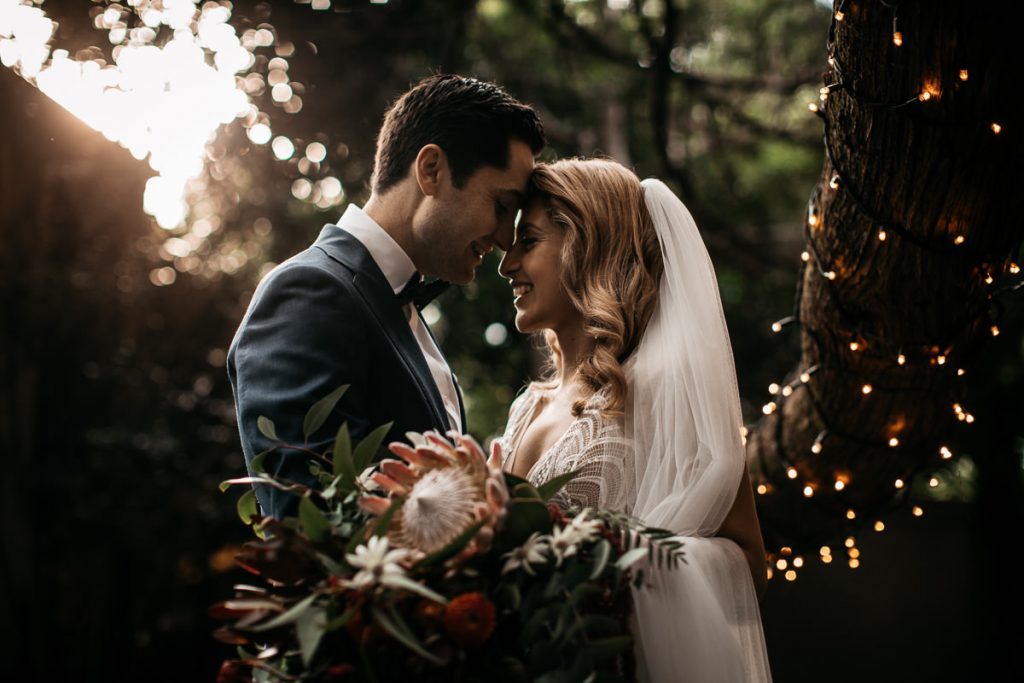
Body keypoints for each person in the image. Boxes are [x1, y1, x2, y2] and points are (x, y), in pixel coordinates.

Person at [497, 158, 771, 681]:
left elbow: (748, 564)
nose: (506, 264)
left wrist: (617, 565)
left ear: (585, 246)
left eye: (527, 241)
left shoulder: (665, 389)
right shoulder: (526, 404)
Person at [228, 75, 545, 518]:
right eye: (501, 205)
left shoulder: (400, 305)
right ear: (431, 170)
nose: (503, 237)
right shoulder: (308, 293)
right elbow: (308, 520)